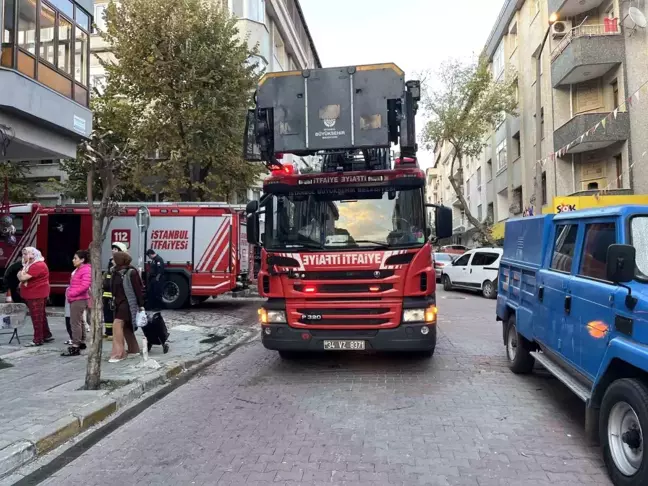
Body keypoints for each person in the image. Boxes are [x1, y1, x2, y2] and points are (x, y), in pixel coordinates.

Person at [109, 251, 143, 363]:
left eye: (113, 259)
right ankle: (134, 350)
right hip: (118, 303)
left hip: (128, 303)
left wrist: (141, 305)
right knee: (127, 327)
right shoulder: (114, 272)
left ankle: (119, 354)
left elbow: (138, 290)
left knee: (117, 325)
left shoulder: (131, 272)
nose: (112, 260)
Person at [17, 247, 53, 347]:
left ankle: (38, 339)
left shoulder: (38, 265)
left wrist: (20, 274)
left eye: (25, 254)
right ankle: (46, 334)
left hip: (36, 295)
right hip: (34, 294)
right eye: (23, 254)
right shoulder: (29, 265)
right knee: (41, 315)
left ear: (32, 255)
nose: (23, 256)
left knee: (36, 317)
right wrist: (20, 273)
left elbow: (22, 277)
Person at [62, 250, 91, 356]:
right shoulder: (80, 269)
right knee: (80, 321)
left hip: (78, 299)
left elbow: (84, 285)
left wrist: (71, 293)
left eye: (75, 258)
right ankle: (81, 342)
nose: (73, 260)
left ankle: (75, 345)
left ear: (82, 260)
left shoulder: (85, 270)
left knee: (75, 323)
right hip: (77, 298)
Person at [103, 242, 128, 339]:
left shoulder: (121, 263)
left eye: (116, 249)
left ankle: (113, 333)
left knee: (113, 313)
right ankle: (108, 331)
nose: (113, 250)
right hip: (107, 292)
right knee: (106, 312)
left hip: (114, 294)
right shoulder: (111, 261)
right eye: (113, 249)